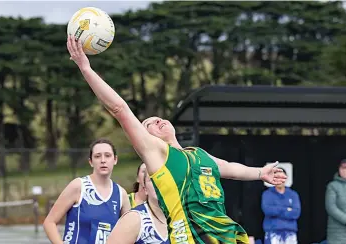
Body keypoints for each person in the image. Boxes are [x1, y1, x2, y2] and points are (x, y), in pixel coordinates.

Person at [66, 36, 287, 244]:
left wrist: (261, 173)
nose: (158, 121)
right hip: (191, 237)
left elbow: (230, 168)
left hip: (225, 235)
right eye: (149, 124)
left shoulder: (198, 155)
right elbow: (119, 108)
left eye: (159, 118)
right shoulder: (159, 155)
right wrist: (85, 67)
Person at [43, 138, 131, 244]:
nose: (103, 160)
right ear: (91, 162)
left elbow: (128, 233)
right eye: (97, 156)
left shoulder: (121, 194)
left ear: (115, 159)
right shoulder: (79, 186)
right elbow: (49, 222)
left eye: (107, 155)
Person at [107, 170, 169, 244]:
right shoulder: (134, 218)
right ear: (145, 189)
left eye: (164, 178)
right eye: (152, 180)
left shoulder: (182, 214)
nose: (158, 183)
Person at [261, 167, 301, 244]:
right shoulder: (267, 194)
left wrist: (277, 209)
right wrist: (287, 209)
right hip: (272, 232)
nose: (280, 180)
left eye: (282, 177)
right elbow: (267, 210)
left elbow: (296, 213)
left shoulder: (293, 194)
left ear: (286, 178)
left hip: (290, 233)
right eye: (277, 177)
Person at [325, 159, 346, 244]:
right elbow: (331, 208)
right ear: (339, 169)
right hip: (337, 236)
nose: (345, 170)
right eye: (343, 168)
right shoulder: (332, 186)